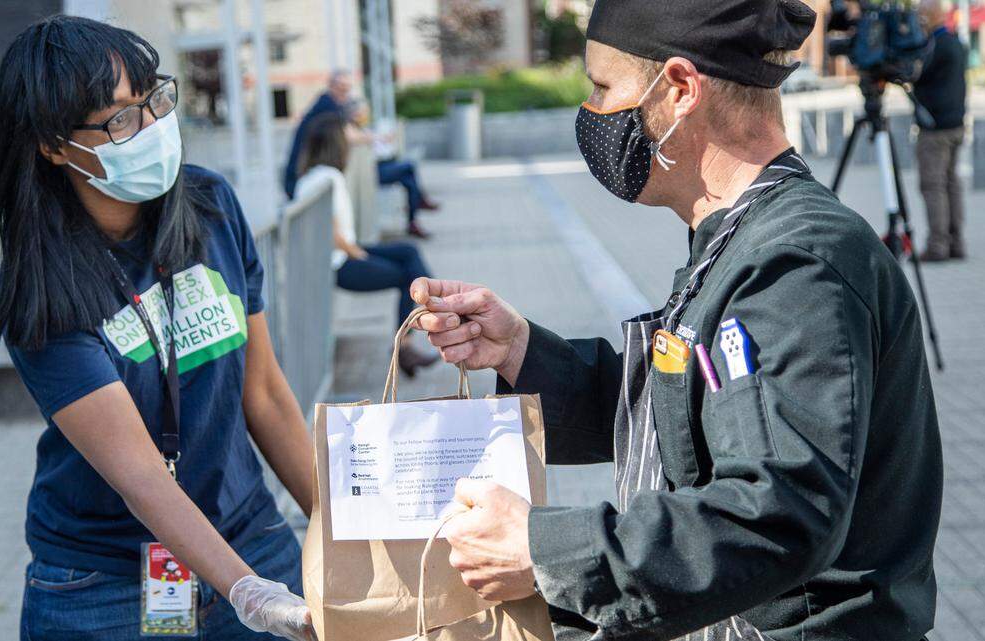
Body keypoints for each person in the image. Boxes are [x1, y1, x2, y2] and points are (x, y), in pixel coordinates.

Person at [410, 2, 942, 640]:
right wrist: (520, 352)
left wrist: (541, 550)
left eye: (603, 88)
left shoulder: (794, 266)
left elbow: (775, 516)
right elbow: (685, 420)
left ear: (682, 89)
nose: (593, 113)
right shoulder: (739, 237)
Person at [0, 16, 314, 641]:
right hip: (106, 588)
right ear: (54, 145)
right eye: (120, 118)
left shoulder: (211, 207)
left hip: (251, 536)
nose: (154, 127)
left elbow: (264, 395)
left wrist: (342, 529)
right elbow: (138, 474)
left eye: (155, 99)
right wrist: (250, 595)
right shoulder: (41, 288)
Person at [294, 114, 439, 376]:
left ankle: (412, 333)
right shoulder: (329, 178)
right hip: (341, 263)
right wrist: (357, 253)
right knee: (410, 277)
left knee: (409, 253)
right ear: (335, 143)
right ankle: (407, 341)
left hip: (341, 254)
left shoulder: (311, 178)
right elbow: (331, 233)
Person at [914, 0, 968, 261]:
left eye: (920, 14)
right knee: (951, 184)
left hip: (935, 130)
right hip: (955, 125)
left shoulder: (934, 45)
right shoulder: (955, 42)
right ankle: (956, 242)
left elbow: (916, 74)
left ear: (929, 16)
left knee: (933, 186)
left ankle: (938, 245)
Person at [348, 100, 441, 240]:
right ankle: (419, 204)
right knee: (409, 167)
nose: (366, 115)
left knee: (409, 180)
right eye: (364, 112)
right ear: (355, 114)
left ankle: (413, 221)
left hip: (378, 166)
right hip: (370, 174)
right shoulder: (350, 128)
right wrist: (378, 138)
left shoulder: (364, 128)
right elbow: (361, 140)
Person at [283, 70, 351, 200]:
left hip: (302, 175)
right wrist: (375, 138)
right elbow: (348, 133)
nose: (345, 94)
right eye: (341, 88)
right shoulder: (328, 107)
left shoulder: (326, 103)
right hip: (300, 177)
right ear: (331, 86)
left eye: (347, 89)